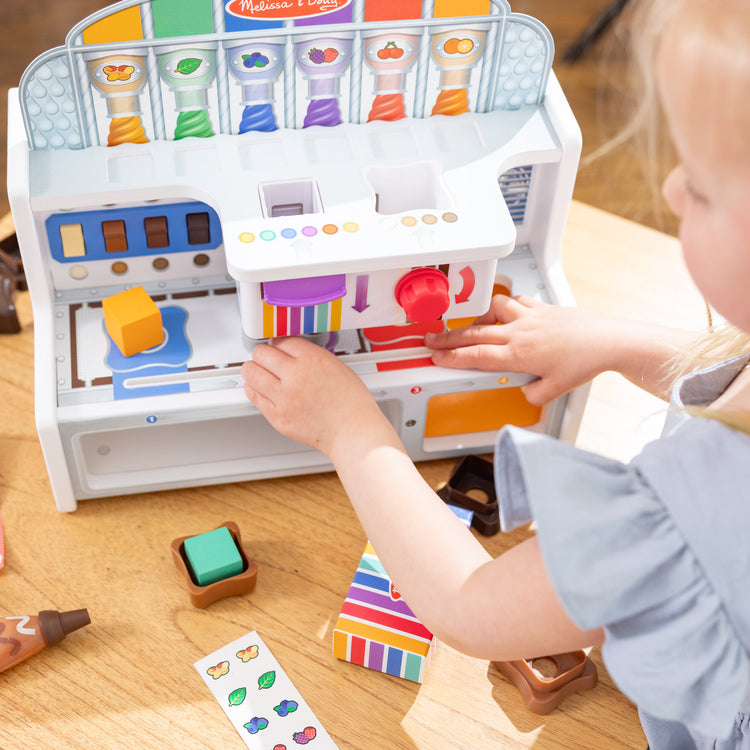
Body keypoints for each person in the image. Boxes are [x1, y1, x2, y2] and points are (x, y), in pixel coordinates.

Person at [241, 0, 750, 746]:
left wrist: (349, 428)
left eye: (701, 187)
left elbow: (469, 606)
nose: (672, 192)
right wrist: (614, 340)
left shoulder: (706, 501)